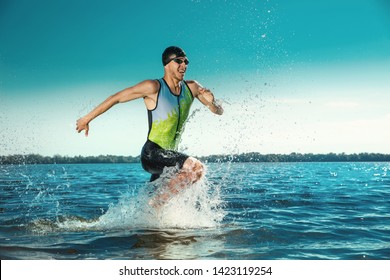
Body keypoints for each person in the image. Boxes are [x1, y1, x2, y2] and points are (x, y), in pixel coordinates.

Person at [76, 46, 223, 204]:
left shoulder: (191, 87)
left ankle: (151, 217)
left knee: (152, 205)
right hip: (152, 154)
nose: (184, 65)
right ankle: (157, 204)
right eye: (178, 61)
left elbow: (218, 111)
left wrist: (212, 102)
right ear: (166, 64)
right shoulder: (154, 87)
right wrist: (86, 119)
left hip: (169, 157)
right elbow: (116, 98)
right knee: (195, 168)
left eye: (186, 62)